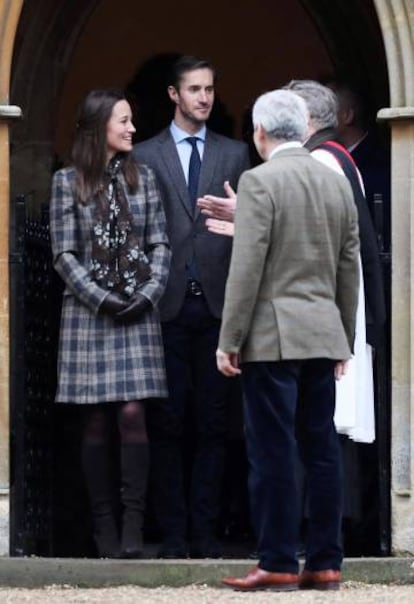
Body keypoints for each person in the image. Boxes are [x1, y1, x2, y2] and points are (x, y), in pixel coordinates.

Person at [217, 89, 360, 592]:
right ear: (303, 130)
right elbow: (349, 264)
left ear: (259, 133)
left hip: (272, 337)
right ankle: (325, 562)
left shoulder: (259, 181)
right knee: (321, 448)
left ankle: (278, 558)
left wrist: (228, 338)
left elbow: (247, 265)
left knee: (274, 450)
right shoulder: (334, 181)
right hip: (323, 332)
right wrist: (344, 338)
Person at [133, 55, 250, 559]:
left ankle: (204, 535)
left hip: (219, 309)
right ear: (173, 95)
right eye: (195, 89)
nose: (205, 97)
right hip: (166, 309)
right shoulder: (143, 154)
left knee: (214, 425)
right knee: (167, 424)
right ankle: (174, 535)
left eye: (210, 88)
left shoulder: (236, 153)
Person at [49, 89, 171, 559]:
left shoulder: (147, 179)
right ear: (100, 126)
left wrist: (148, 293)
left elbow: (160, 243)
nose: (132, 128)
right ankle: (103, 527)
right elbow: (63, 252)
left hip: (138, 309)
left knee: (133, 414)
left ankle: (133, 527)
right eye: (124, 120)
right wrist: (101, 298)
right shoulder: (66, 182)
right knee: (95, 421)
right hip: (88, 314)